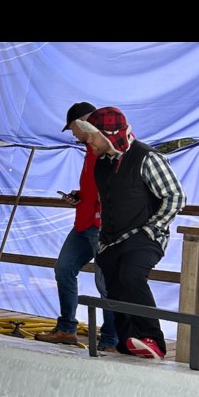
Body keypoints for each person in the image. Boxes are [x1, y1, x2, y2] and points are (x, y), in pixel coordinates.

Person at [76, 106, 186, 360]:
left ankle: (153, 339)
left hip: (145, 235)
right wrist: (103, 241)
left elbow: (175, 196)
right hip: (113, 239)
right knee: (114, 287)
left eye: (91, 135)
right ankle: (129, 342)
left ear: (108, 134)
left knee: (130, 276)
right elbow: (107, 204)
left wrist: (152, 228)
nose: (87, 140)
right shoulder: (102, 164)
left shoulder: (147, 157)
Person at [35, 102, 119, 351]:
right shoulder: (89, 149)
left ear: (85, 122)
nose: (73, 133)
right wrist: (80, 195)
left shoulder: (107, 147)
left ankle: (110, 340)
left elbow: (116, 186)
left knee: (105, 284)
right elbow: (96, 186)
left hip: (100, 224)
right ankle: (67, 328)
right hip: (84, 221)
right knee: (64, 268)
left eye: (73, 127)